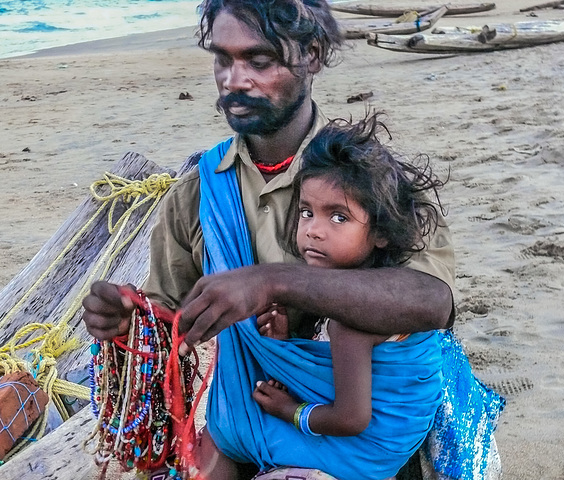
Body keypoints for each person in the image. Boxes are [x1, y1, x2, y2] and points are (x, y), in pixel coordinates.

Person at [82, 1, 501, 479]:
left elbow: (430, 300)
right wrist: (125, 323)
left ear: (313, 55)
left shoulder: (369, 179)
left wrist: (274, 282)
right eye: (223, 59)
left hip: (361, 441)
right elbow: (170, 320)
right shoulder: (198, 192)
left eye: (259, 61)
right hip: (250, 417)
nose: (234, 80)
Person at [252, 112, 445, 443]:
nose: (313, 230)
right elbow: (336, 368)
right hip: (398, 431)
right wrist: (287, 343)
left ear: (381, 233)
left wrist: (289, 410)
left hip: (372, 447)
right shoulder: (367, 285)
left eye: (338, 217)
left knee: (243, 435)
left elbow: (350, 418)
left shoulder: (353, 319)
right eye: (306, 212)